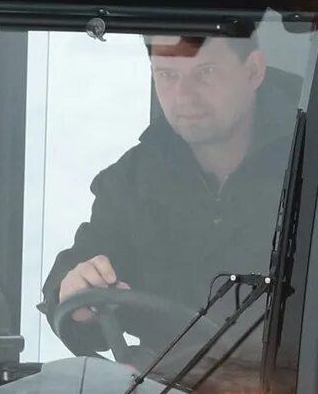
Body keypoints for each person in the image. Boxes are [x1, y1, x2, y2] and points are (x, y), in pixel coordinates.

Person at [42, 33, 299, 348]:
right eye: (167, 75)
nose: (184, 95)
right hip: (161, 392)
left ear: (253, 71)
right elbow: (85, 268)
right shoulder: (131, 181)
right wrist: (76, 296)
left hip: (301, 389)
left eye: (205, 72)